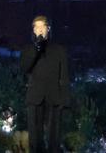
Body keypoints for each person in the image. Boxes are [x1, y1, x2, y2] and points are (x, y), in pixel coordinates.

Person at [19, 14, 70, 152]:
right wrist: (36, 49)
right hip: (35, 96)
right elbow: (24, 68)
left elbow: (64, 75)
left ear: (48, 29)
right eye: (37, 27)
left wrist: (64, 99)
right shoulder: (28, 49)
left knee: (54, 136)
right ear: (34, 30)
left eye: (43, 26)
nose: (40, 30)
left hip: (54, 96)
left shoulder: (59, 50)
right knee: (35, 137)